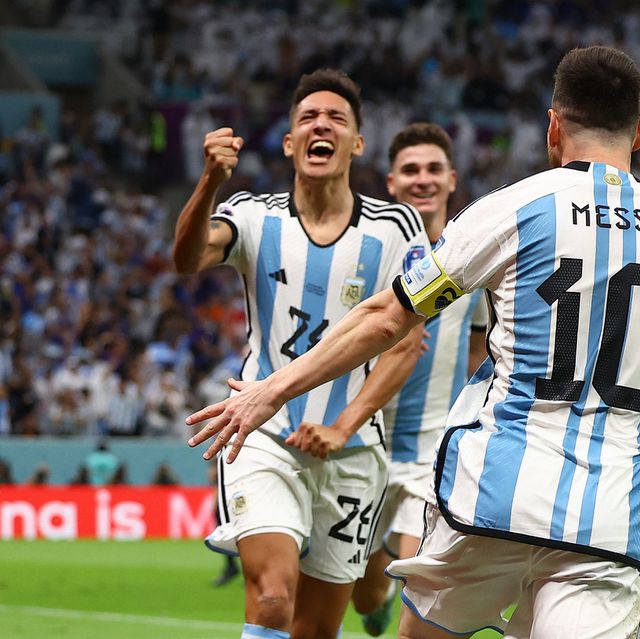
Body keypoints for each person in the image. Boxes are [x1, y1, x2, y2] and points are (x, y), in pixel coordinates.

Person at [187, 47, 640, 639]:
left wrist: (271, 389)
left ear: (555, 127)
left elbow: (387, 317)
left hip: (491, 499)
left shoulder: (514, 208)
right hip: (610, 520)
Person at [172, 68, 428, 639]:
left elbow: (405, 343)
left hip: (354, 453)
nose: (321, 125)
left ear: (356, 144)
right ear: (290, 143)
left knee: (314, 630)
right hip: (260, 433)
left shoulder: (396, 226)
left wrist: (343, 423)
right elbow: (188, 258)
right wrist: (209, 181)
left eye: (336, 118)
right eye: (308, 117)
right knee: (270, 602)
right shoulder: (251, 214)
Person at [350, 123, 488, 636]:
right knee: (365, 592)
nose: (422, 179)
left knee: (420, 606)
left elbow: (480, 342)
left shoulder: (473, 255)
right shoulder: (369, 255)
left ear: (452, 179)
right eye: (411, 170)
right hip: (365, 446)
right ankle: (373, 594)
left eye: (434, 170)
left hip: (435, 450)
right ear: (391, 182)